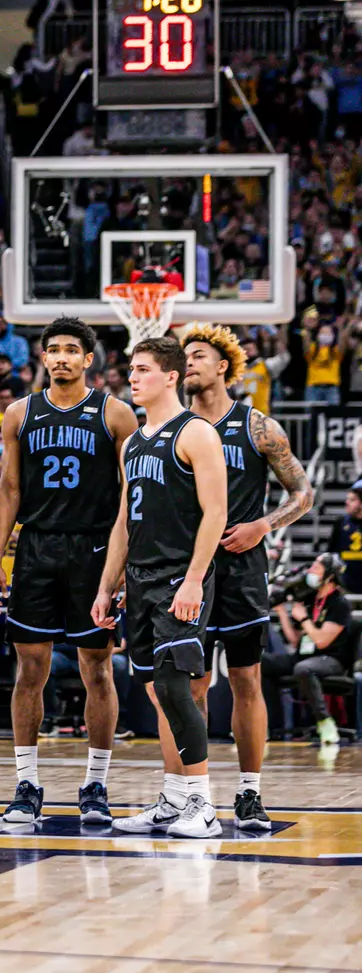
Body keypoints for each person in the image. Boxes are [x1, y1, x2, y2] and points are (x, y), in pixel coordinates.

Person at [0, 318, 137, 826]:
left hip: (93, 549)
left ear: (89, 359)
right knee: (30, 670)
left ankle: (96, 783)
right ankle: (26, 783)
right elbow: (8, 490)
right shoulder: (19, 413)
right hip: (36, 548)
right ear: (43, 358)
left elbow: (128, 497)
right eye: (54, 350)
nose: (63, 358)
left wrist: (119, 569)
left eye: (73, 350)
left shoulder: (116, 414)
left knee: (97, 669)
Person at [94, 337, 229, 839]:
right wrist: (108, 585)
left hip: (180, 576)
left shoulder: (196, 434)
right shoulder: (134, 443)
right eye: (131, 368)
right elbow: (125, 522)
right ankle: (173, 800)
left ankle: (204, 805)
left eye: (143, 369)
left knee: (176, 688)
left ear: (171, 376)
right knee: (155, 692)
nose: (133, 377)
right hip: (141, 580)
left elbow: (217, 512)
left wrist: (194, 579)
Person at [179, 324, 313, 826]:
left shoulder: (257, 426)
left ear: (223, 366)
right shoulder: (175, 426)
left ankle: (251, 792)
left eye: (197, 355)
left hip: (241, 567)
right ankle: (194, 794)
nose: (188, 362)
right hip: (188, 567)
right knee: (191, 684)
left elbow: (304, 493)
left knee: (245, 680)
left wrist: (263, 524)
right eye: (184, 357)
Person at [264, 552, 353, 744]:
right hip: (303, 655)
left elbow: (321, 641)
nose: (311, 570)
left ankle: (324, 721)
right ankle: (270, 725)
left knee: (304, 669)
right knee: (260, 663)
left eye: (317, 567)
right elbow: (295, 640)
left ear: (329, 575)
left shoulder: (340, 603)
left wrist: (303, 618)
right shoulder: (310, 599)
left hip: (331, 659)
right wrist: (284, 613)